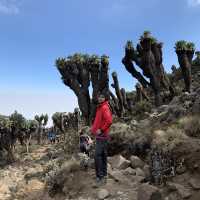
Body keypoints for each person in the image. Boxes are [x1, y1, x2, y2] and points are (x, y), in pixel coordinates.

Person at [91, 93, 112, 186]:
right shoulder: (100, 107)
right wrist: (94, 129)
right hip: (100, 135)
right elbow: (99, 120)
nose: (100, 98)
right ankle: (104, 174)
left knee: (97, 155)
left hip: (102, 135)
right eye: (99, 97)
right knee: (103, 155)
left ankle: (100, 176)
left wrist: (101, 129)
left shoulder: (104, 107)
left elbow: (109, 121)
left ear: (105, 98)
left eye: (102, 97)